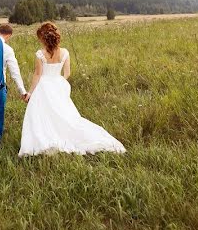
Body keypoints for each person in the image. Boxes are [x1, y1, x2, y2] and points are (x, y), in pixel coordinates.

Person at [18, 22, 126, 157]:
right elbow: (67, 73)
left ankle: (46, 139)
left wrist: (30, 92)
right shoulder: (65, 53)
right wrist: (59, 83)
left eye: (40, 38)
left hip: (44, 87)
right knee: (64, 115)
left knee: (42, 115)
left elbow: (38, 75)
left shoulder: (40, 54)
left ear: (44, 38)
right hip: (58, 84)